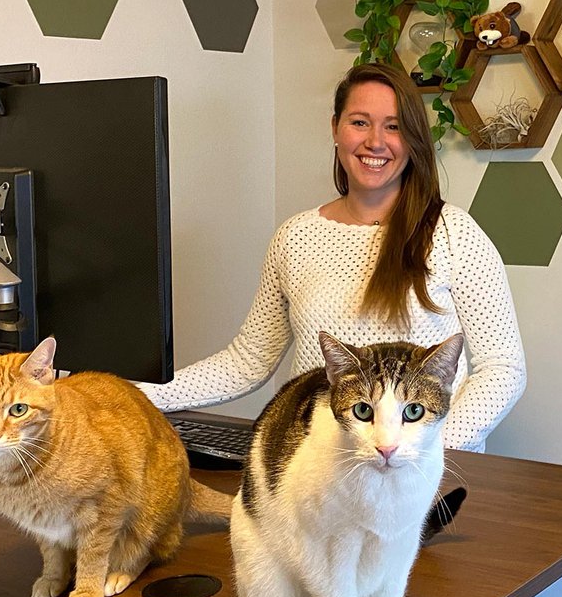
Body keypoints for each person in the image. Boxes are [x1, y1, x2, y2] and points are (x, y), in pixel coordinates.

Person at [141, 63, 525, 452]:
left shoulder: (453, 233)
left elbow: (502, 369)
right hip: (317, 471)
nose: (376, 142)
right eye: (360, 122)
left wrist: (428, 454)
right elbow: (246, 362)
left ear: (412, 140)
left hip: (418, 480)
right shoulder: (294, 237)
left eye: (393, 127)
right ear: (335, 128)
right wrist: (134, 395)